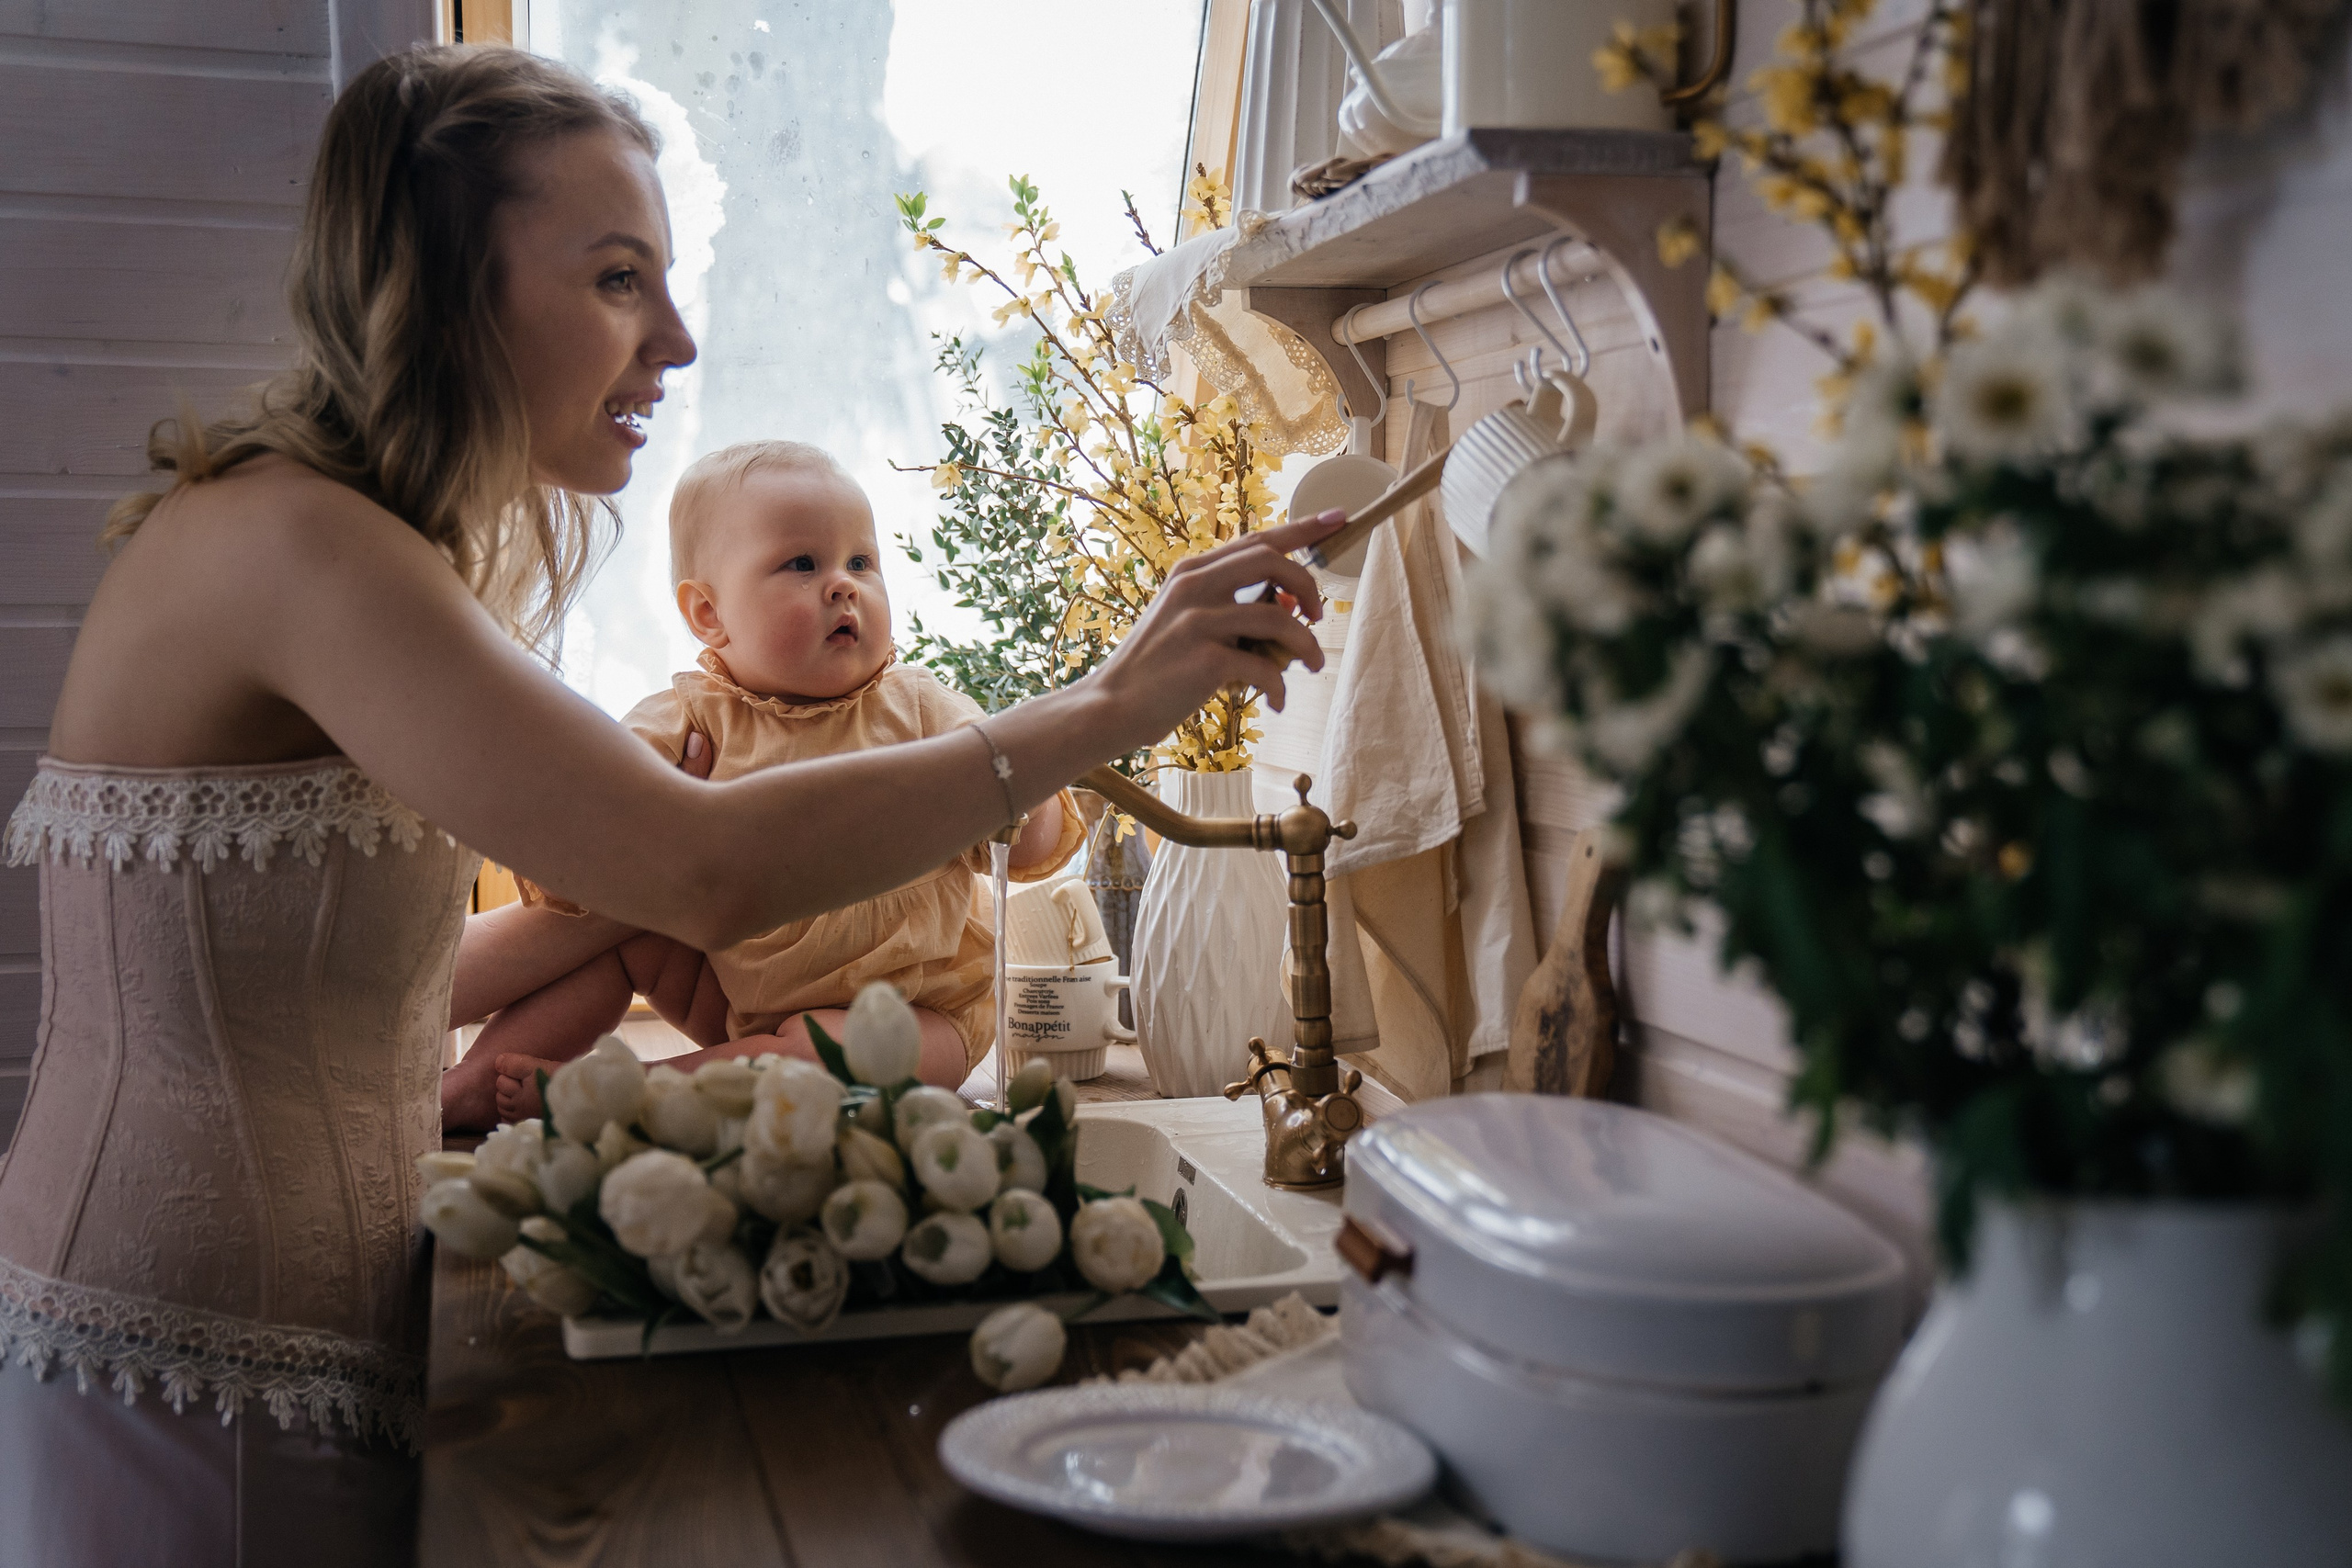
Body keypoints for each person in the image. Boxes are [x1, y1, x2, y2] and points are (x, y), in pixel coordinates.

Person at [0, 44, 1333, 1568]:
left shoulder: (341, 542)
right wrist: (1101, 707)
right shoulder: (305, 548)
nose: (679, 340)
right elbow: (703, 866)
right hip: (196, 1367)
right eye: (621, 277)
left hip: (261, 1327)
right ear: (445, 286)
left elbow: (328, 968)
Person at [439, 438, 1084, 1132]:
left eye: (861, 562)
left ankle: (623, 1091)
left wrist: (1028, 799)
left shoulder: (919, 706)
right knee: (621, 941)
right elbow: (597, 805)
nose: (844, 584)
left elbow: (1023, 829)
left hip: (917, 1016)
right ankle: (475, 1082)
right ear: (709, 615)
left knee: (820, 1053)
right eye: (803, 564)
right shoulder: (694, 713)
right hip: (740, 995)